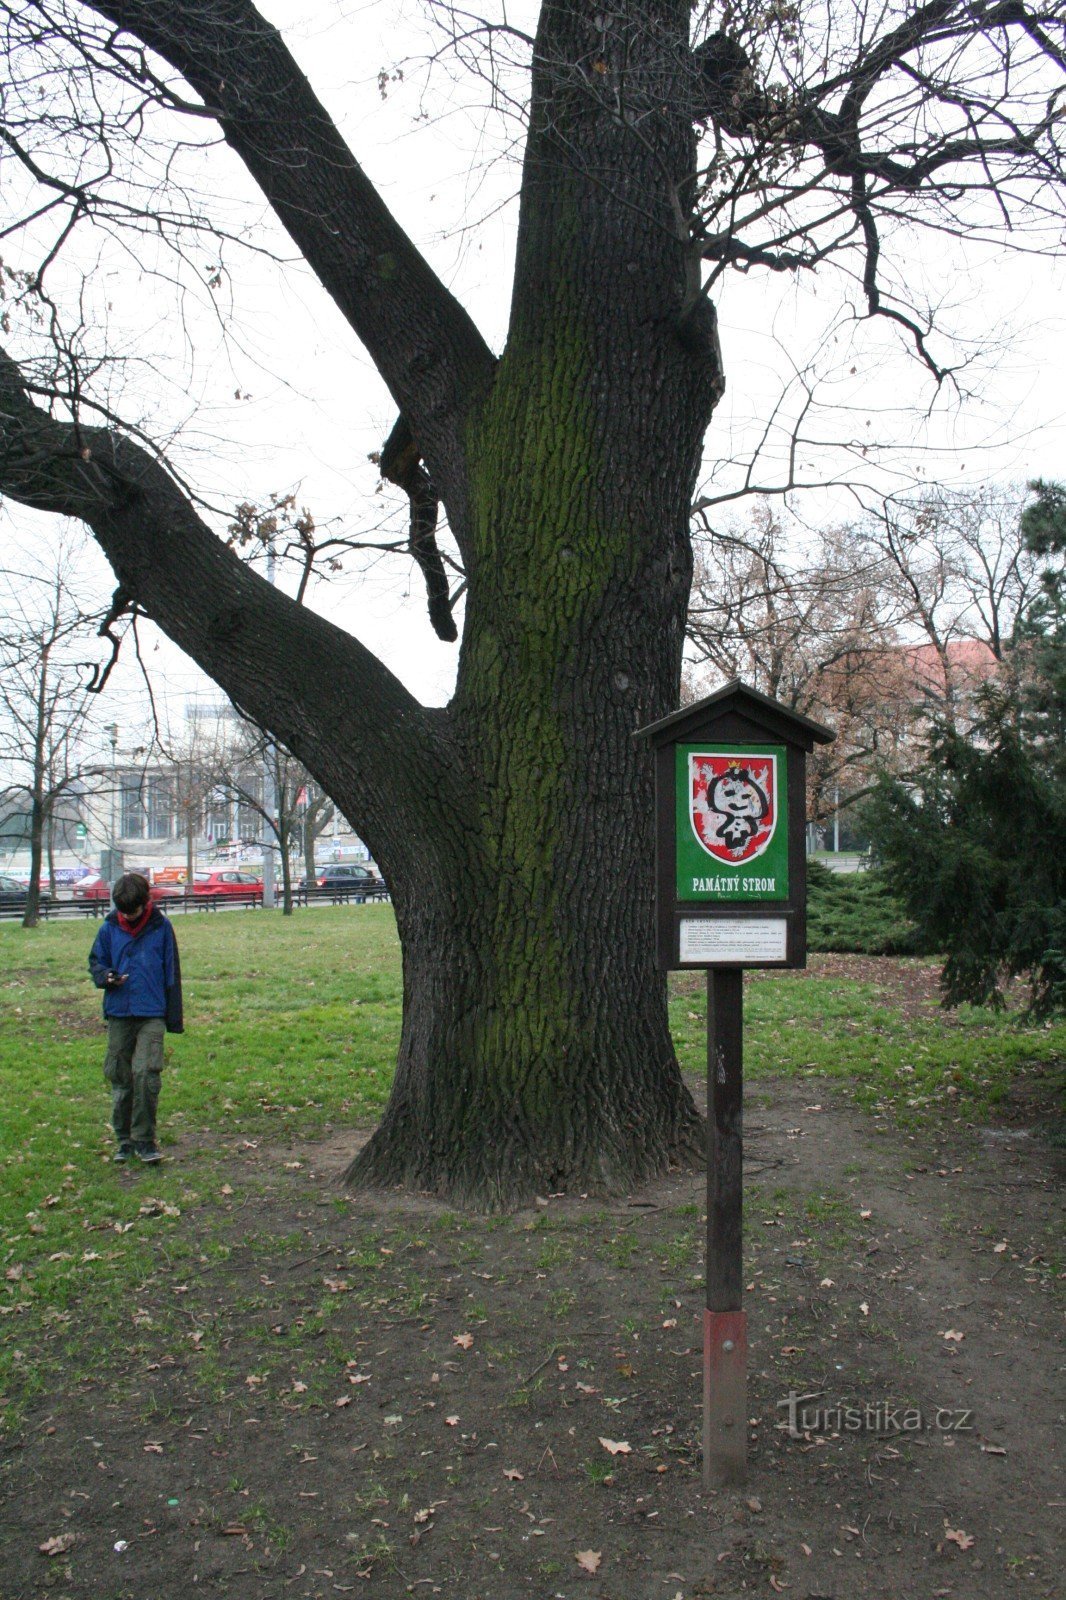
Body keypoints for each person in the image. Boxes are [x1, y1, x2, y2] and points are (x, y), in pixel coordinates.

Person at [88, 873, 184, 1164]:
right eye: (123, 911)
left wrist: (173, 1018)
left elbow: (171, 971)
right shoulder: (108, 928)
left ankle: (145, 1139)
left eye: (133, 910)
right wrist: (106, 977)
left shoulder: (161, 928)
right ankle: (124, 1138)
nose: (128, 916)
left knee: (146, 1074)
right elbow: (96, 962)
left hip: (151, 1013)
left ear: (147, 902)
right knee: (121, 1077)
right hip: (119, 1013)